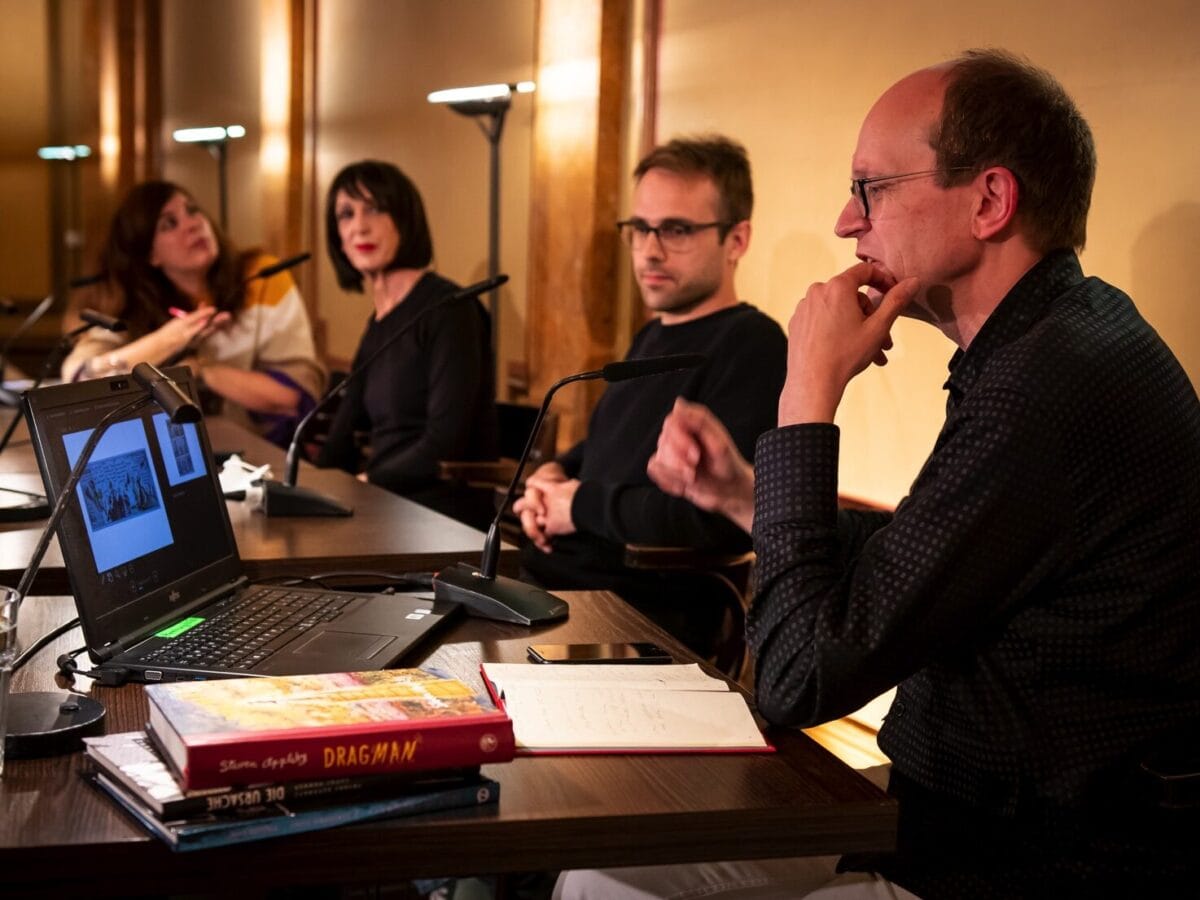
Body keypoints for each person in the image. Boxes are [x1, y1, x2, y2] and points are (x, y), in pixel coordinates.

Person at [562, 50, 1200, 898]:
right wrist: (749, 497)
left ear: (989, 201)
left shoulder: (1045, 386)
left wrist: (807, 397)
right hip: (942, 827)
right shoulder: (1062, 336)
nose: (843, 222)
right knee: (601, 866)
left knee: (608, 889)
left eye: (870, 188)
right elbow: (921, 555)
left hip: (1016, 863)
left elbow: (794, 678)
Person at [513, 136, 786, 658]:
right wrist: (554, 477)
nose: (650, 250)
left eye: (677, 230)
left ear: (737, 240)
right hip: (555, 594)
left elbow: (714, 521)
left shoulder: (752, 345)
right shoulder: (651, 337)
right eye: (640, 228)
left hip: (637, 625)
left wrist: (581, 504)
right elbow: (610, 452)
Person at [63, 181, 324, 447]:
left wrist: (200, 369)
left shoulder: (262, 277)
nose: (193, 224)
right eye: (169, 224)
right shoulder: (129, 304)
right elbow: (79, 377)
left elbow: (294, 398)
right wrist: (170, 340)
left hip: (258, 453)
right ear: (151, 255)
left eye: (193, 210)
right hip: (164, 449)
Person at [315, 160, 497, 518]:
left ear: (405, 218)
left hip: (437, 512)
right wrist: (303, 487)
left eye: (375, 209)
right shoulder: (379, 323)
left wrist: (365, 482)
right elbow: (342, 432)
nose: (359, 227)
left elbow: (444, 442)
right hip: (383, 500)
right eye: (346, 215)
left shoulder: (451, 311)